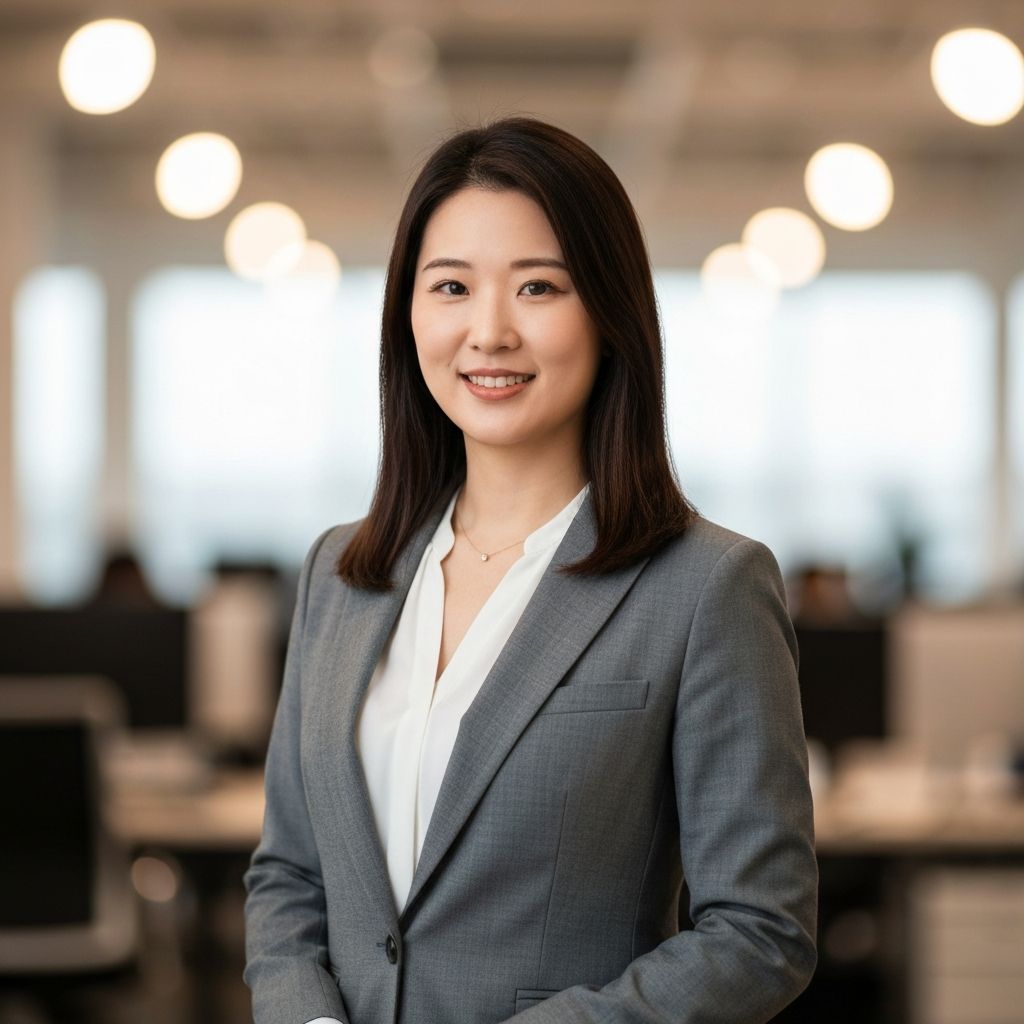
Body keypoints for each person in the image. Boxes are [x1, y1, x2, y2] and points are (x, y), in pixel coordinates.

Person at [243, 116, 817, 1024]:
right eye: (451, 286)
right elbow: (290, 874)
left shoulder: (708, 587)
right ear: (407, 314)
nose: (489, 331)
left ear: (610, 313)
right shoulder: (341, 574)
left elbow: (759, 932)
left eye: (538, 287)